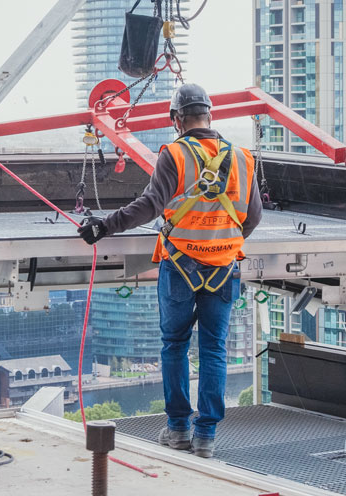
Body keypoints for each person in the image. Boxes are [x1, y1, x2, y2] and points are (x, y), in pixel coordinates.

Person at [77, 83, 262, 458]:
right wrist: (221, 240)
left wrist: (104, 226)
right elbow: (253, 216)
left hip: (181, 265)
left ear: (176, 119)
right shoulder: (243, 157)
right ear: (210, 115)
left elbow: (149, 206)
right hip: (225, 268)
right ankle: (205, 435)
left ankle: (178, 428)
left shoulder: (175, 154)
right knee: (214, 349)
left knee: (175, 344)